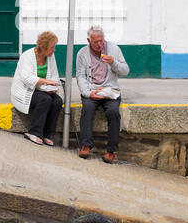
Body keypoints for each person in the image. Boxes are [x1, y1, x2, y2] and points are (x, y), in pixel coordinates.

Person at [76, 26, 129, 164]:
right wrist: (88, 93)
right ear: (89, 40)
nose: (100, 45)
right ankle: (85, 145)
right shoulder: (82, 53)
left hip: (110, 90)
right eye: (96, 42)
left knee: (113, 112)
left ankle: (111, 151)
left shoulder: (114, 49)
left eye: (101, 41)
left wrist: (114, 63)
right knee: (87, 108)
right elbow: (80, 76)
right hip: (92, 89)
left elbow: (126, 70)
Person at [11, 31, 63, 146]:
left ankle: (48, 134)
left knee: (58, 101)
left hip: (42, 89)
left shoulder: (50, 56)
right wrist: (45, 82)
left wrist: (53, 86)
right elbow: (26, 78)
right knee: (45, 99)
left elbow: (55, 76)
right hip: (25, 91)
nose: (54, 50)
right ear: (43, 48)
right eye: (52, 47)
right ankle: (34, 132)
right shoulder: (27, 55)